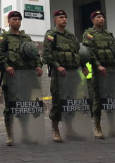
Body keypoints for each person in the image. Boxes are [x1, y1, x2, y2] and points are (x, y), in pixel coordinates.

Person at [0, 11, 43, 146]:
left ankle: (25, 133)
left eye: (18, 19)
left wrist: (39, 66)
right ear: (9, 21)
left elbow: (35, 55)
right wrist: (6, 66)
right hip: (12, 78)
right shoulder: (3, 38)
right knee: (11, 106)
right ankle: (10, 134)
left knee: (25, 106)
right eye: (14, 19)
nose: (17, 21)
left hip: (26, 77)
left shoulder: (26, 38)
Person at [42, 10, 89, 143]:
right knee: (58, 100)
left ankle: (70, 128)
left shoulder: (71, 36)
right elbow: (47, 54)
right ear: (55, 20)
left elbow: (77, 52)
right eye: (61, 17)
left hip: (73, 72)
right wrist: (57, 66)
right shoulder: (51, 35)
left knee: (72, 101)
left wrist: (84, 66)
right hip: (59, 73)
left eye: (65, 17)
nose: (64, 20)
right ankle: (55, 129)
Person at [82, 10, 115, 139]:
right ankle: (97, 126)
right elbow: (89, 51)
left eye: (102, 17)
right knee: (98, 98)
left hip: (113, 69)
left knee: (112, 98)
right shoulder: (89, 34)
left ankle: (112, 125)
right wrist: (98, 65)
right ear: (93, 20)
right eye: (98, 17)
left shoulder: (109, 35)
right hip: (100, 70)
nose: (101, 19)